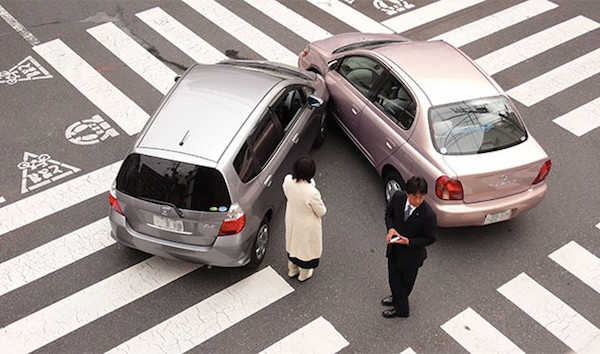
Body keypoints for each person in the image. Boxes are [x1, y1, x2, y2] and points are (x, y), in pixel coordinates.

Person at [382, 176, 437, 318]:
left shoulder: (429, 215)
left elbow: (430, 238)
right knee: (393, 278)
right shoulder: (398, 197)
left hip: (412, 256)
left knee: (405, 284)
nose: (418, 201)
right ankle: (396, 298)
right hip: (394, 249)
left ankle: (402, 310)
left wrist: (409, 241)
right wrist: (391, 229)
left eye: (421, 197)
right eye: (414, 197)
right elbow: (389, 214)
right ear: (407, 193)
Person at [282, 156, 327, 282]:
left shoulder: (287, 181)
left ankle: (292, 269)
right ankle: (303, 274)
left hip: (292, 217)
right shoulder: (312, 192)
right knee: (305, 248)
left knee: (292, 243)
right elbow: (321, 211)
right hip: (307, 224)